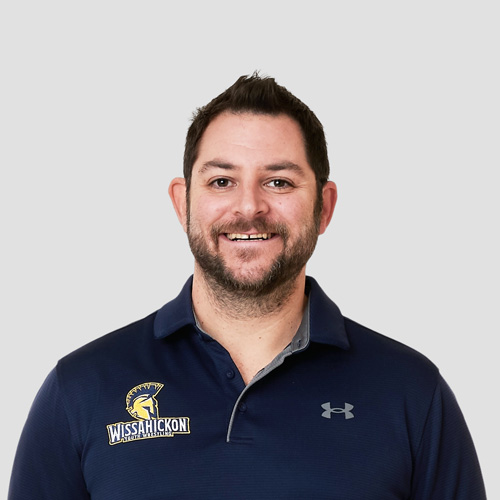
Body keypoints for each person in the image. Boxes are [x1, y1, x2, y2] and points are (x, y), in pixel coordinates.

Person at [9, 73, 486, 499]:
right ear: (182, 203)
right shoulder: (82, 390)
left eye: (279, 182)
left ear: (324, 207)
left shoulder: (410, 393)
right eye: (222, 181)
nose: (249, 207)